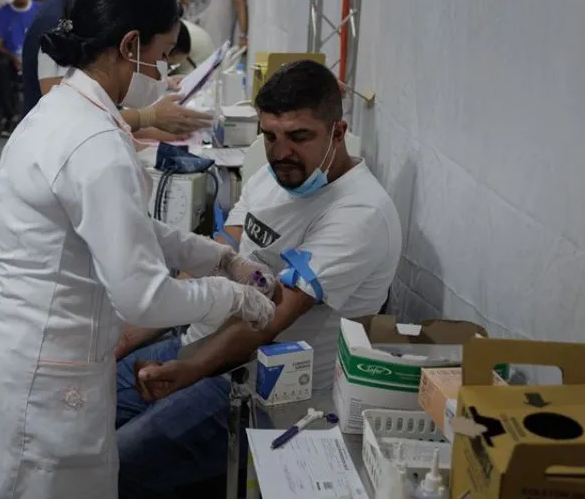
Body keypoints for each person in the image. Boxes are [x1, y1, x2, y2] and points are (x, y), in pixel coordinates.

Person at [0, 0, 279, 499]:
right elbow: (144, 298)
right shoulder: (93, 143)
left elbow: (126, 229)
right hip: (40, 374)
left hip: (16, 349)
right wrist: (230, 299)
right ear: (130, 45)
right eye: (163, 57)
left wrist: (219, 258)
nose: (166, 76)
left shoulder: (69, 111)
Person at [113, 60, 402, 497]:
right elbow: (216, 257)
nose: (281, 152)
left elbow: (268, 320)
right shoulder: (274, 176)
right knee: (77, 416)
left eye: (299, 137)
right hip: (200, 342)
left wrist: (188, 369)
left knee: (112, 463)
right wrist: (131, 335)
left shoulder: (359, 214)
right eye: (271, 136)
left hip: (261, 387)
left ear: (338, 133)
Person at [23, 0, 211, 141]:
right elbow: (79, 115)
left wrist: (148, 79)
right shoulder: (59, 18)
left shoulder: (76, 6)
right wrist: (148, 117)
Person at [0, 0, 39, 134]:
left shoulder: (39, 10)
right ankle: (11, 116)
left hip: (35, 57)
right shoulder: (4, 13)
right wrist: (14, 57)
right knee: (0, 66)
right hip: (11, 58)